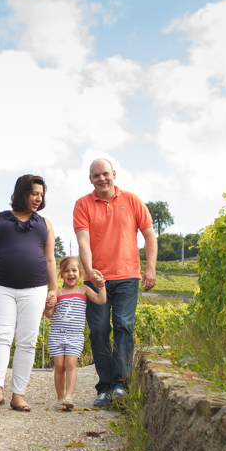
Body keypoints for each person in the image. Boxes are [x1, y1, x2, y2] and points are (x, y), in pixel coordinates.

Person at [0, 174, 58, 412]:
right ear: (21, 192)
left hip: (35, 289)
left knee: (27, 342)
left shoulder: (45, 224)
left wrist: (54, 289)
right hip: (0, 287)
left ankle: (18, 395)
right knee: (0, 337)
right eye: (34, 193)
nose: (38, 198)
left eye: (41, 194)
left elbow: (50, 259)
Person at [73, 158, 157, 407]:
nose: (101, 179)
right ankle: (104, 387)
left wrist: (150, 268)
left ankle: (121, 384)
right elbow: (83, 241)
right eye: (96, 175)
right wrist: (89, 270)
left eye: (105, 174)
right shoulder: (82, 204)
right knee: (99, 331)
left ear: (114, 174)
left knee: (123, 327)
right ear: (90, 179)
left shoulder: (131, 200)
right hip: (95, 279)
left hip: (127, 276)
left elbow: (149, 234)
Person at [44, 256, 106, 410]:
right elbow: (49, 314)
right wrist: (48, 304)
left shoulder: (83, 290)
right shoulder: (57, 292)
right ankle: (60, 399)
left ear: (80, 273)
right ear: (61, 274)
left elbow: (101, 300)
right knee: (59, 366)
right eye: (66, 271)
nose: (70, 274)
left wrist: (102, 285)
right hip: (56, 335)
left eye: (74, 270)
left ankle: (69, 396)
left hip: (75, 336)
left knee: (70, 364)